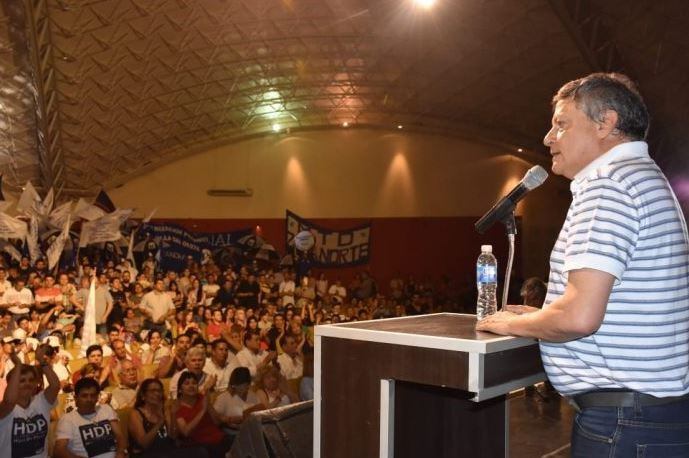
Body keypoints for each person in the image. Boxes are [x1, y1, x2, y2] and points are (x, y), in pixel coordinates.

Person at [476, 73, 689, 457]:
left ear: (605, 123)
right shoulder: (643, 177)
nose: (547, 138)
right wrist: (545, 314)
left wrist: (513, 323)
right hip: (652, 415)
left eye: (561, 123)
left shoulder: (608, 184)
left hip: (623, 424)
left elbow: (579, 318)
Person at [0, 344, 60, 458]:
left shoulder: (41, 401)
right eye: (22, 380)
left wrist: (42, 361)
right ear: (11, 384)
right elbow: (9, 400)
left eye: (31, 380)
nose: (27, 383)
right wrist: (18, 365)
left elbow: (55, 386)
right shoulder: (5, 407)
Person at [128, 378, 206, 458]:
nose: (157, 394)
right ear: (143, 395)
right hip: (147, 454)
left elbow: (173, 436)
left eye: (159, 391)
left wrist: (173, 414)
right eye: (153, 391)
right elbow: (144, 444)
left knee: (200, 451)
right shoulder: (136, 413)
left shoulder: (165, 410)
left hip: (168, 451)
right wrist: (161, 422)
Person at [54, 377, 127, 458]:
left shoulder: (106, 409)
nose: (89, 399)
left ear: (97, 397)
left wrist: (120, 452)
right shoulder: (67, 419)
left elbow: (120, 436)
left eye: (92, 395)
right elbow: (59, 450)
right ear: (76, 398)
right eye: (84, 396)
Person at [174, 371, 232, 458]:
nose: (191, 386)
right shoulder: (177, 406)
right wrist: (203, 410)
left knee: (241, 440)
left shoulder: (202, 398)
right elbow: (185, 432)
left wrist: (207, 403)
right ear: (180, 389)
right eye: (187, 383)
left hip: (219, 438)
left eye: (194, 383)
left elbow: (217, 422)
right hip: (199, 444)